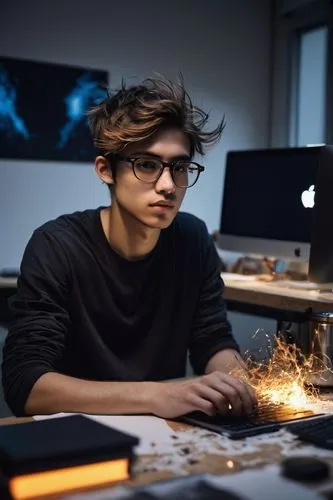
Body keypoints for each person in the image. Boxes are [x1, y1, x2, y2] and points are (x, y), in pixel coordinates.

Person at [2, 77, 257, 418]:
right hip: (78, 435)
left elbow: (212, 340)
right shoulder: (57, 246)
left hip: (168, 436)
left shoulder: (192, 239)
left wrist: (235, 382)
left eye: (179, 167)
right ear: (106, 170)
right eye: (147, 165)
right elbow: (26, 385)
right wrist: (159, 396)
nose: (168, 186)